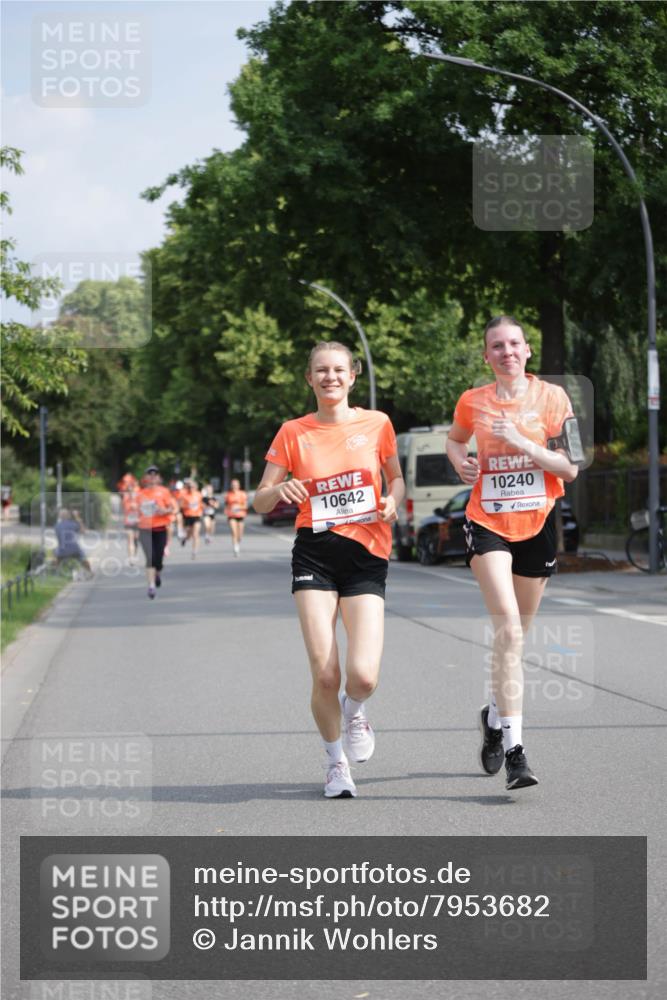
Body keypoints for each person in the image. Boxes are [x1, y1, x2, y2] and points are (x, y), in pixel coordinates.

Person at [254, 341, 404, 799]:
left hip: (366, 555)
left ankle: (355, 709)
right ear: (309, 378)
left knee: (363, 676)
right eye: (321, 370)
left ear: (353, 376)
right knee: (324, 674)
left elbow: (395, 476)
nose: (330, 377)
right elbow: (259, 499)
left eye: (339, 370)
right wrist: (283, 490)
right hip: (314, 555)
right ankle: (336, 763)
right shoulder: (292, 432)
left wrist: (392, 500)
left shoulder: (377, 423)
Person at [446, 315, 578, 790]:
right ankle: (516, 751)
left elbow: (570, 468)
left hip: (537, 523)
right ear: (487, 356)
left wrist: (524, 442)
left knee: (517, 636)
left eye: (514, 344)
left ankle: (494, 715)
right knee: (506, 625)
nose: (506, 352)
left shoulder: (553, 399)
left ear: (527, 351)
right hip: (487, 523)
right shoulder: (472, 401)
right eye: (496, 346)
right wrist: (461, 462)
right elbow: (455, 439)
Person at [136, 465, 177, 598]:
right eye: (150, 474)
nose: (152, 477)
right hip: (145, 530)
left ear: (158, 478)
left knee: (158, 560)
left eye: (155, 474)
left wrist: (164, 511)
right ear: (145, 478)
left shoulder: (164, 492)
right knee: (150, 558)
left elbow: (172, 508)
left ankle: (157, 573)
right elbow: (134, 512)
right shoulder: (140, 494)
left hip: (160, 528)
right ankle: (151, 586)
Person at [54, 508, 93, 577]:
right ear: (68, 516)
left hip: (62, 551)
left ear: (60, 517)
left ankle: (56, 572)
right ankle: (90, 572)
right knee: (83, 558)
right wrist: (77, 517)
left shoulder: (57, 526)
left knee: (56, 555)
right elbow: (83, 531)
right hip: (74, 550)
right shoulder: (73, 524)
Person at [179, 478, 203, 559]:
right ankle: (185, 539)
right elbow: (181, 506)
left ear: (196, 487)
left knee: (195, 534)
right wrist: (187, 506)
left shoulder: (199, 494)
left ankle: (194, 551)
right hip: (188, 516)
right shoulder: (185, 495)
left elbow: (202, 504)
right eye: (190, 487)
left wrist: (203, 507)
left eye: (193, 487)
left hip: (196, 516)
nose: (191, 488)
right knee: (189, 535)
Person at [224, 478, 248, 556]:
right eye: (233, 485)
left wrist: (238, 507)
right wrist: (226, 511)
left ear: (239, 486)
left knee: (240, 535)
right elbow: (226, 505)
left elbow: (245, 506)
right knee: (234, 532)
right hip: (231, 516)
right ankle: (235, 547)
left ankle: (238, 543)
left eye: (236, 485)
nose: (234, 486)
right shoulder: (228, 495)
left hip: (240, 515)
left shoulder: (242, 494)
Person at [121, 484, 140, 564]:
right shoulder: (125, 499)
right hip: (128, 522)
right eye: (129, 491)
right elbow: (124, 509)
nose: (131, 493)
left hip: (138, 522)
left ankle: (134, 555)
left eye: (132, 491)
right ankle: (131, 558)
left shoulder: (139, 499)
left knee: (136, 540)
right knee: (130, 539)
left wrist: (136, 507)